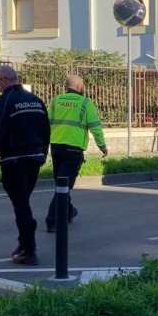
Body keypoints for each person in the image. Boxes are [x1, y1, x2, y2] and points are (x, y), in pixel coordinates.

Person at [0, 65, 50, 265]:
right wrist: (42, 155)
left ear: (4, 80)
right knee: (23, 202)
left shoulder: (5, 101)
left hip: (14, 161)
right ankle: (23, 244)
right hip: (34, 159)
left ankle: (29, 250)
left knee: (21, 205)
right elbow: (46, 131)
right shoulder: (36, 100)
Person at [44, 74, 108, 233]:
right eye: (82, 85)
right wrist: (102, 147)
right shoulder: (86, 103)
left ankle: (68, 212)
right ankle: (52, 220)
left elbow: (45, 123)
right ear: (79, 86)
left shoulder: (55, 101)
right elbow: (96, 128)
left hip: (56, 147)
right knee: (63, 186)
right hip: (73, 149)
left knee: (61, 183)